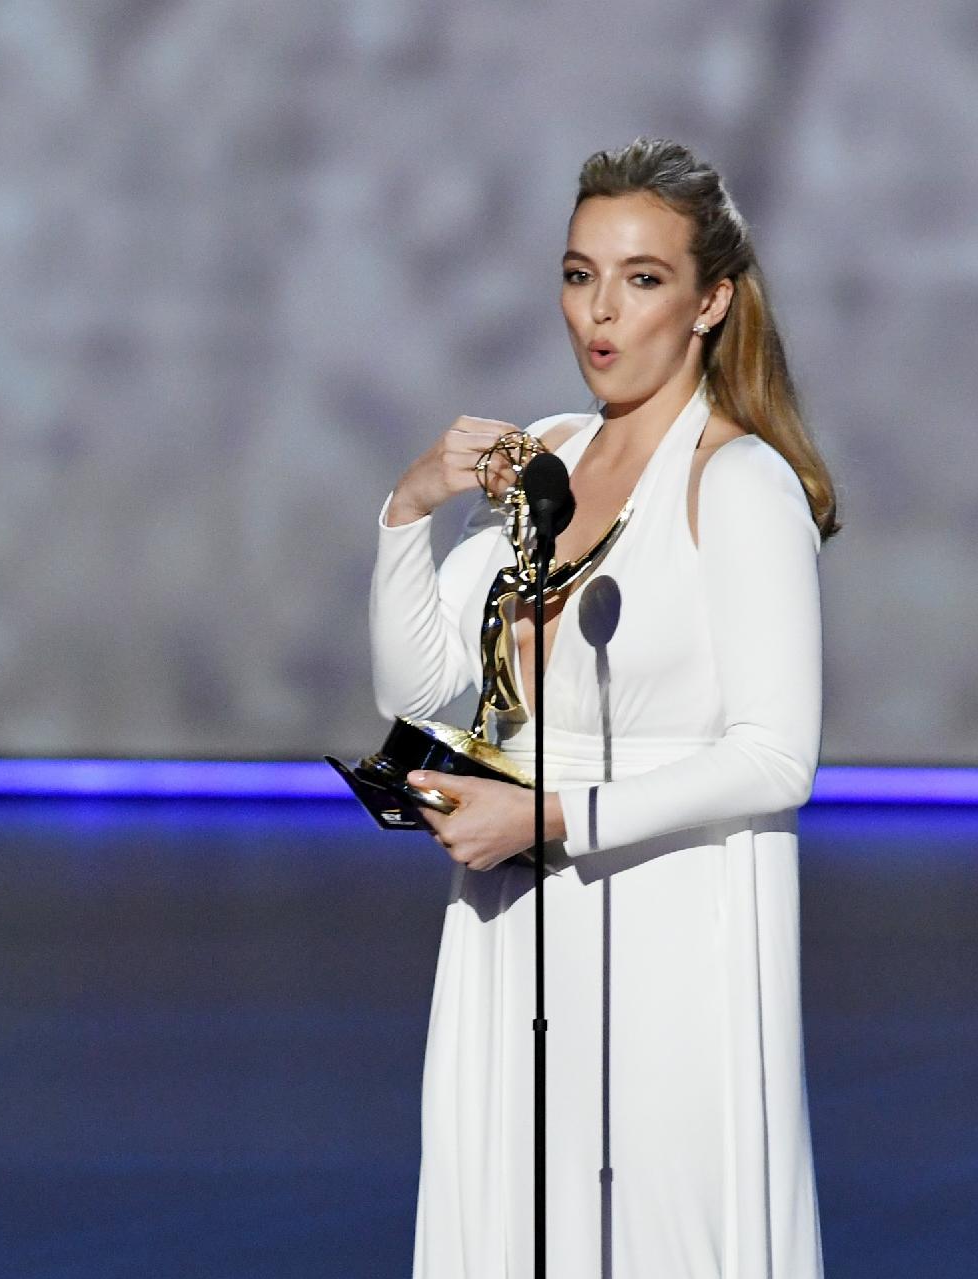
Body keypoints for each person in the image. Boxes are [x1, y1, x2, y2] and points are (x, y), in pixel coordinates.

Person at [370, 137, 839, 1279]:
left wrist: (553, 816)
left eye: (642, 279)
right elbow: (422, 691)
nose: (602, 313)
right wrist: (410, 507)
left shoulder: (738, 483)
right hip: (511, 920)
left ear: (710, 301)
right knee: (512, 1223)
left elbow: (778, 759)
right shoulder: (553, 456)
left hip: (675, 925)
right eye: (581, 275)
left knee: (661, 1231)